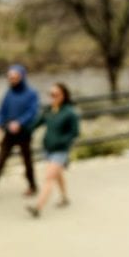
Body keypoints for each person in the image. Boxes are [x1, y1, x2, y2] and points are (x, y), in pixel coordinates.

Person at [0, 64, 40, 199]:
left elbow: (32, 112)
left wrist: (19, 123)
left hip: (24, 134)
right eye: (10, 78)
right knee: (1, 160)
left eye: (15, 77)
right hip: (9, 134)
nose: (12, 80)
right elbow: (3, 112)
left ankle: (33, 186)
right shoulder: (9, 93)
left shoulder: (32, 94)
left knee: (27, 161)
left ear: (22, 77)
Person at [26, 82, 80, 218]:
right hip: (48, 148)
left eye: (56, 94)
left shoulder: (70, 113)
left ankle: (37, 207)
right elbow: (36, 123)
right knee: (57, 175)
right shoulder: (49, 110)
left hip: (60, 150)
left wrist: (62, 142)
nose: (53, 97)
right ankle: (65, 198)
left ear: (64, 95)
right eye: (51, 95)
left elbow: (75, 133)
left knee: (49, 177)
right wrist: (24, 130)